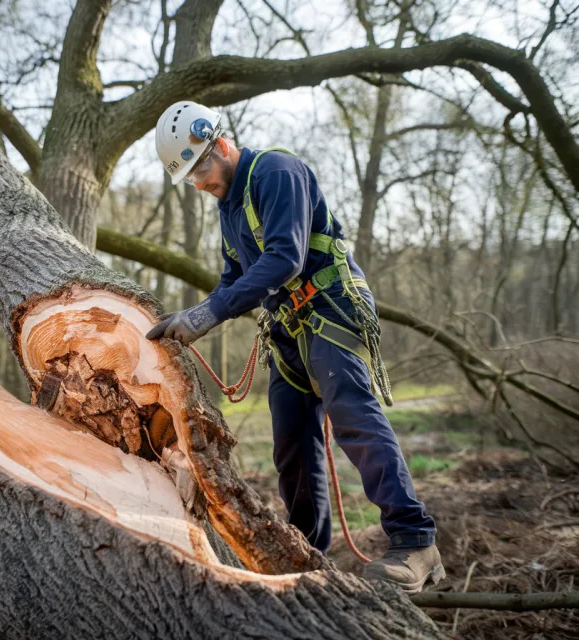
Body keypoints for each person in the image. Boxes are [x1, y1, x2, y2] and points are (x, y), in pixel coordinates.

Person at [146, 101, 445, 594]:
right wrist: (193, 314)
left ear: (220, 144)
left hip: (329, 309)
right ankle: (309, 557)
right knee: (291, 445)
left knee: (353, 417)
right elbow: (234, 279)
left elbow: (285, 258)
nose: (198, 182)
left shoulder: (275, 172)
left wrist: (206, 316)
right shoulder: (228, 207)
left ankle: (414, 541)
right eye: (190, 177)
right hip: (287, 328)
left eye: (200, 167)